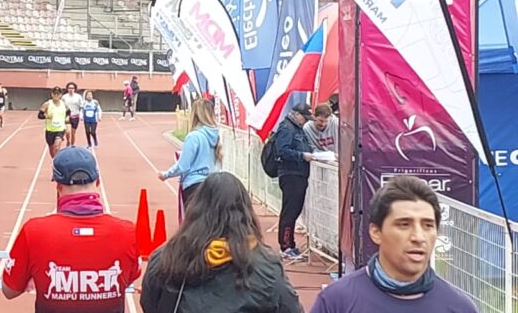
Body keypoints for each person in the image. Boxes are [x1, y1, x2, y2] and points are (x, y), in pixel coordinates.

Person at [140, 172, 303, 313]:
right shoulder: (267, 267)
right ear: (246, 214)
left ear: (195, 209)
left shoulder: (165, 257)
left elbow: (149, 303)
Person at [310, 176, 477, 313]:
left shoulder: (460, 307)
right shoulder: (336, 301)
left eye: (428, 225)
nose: (418, 237)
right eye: (404, 224)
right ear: (376, 232)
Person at [2, 147, 140, 311]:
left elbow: (9, 290)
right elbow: (127, 279)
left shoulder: (34, 231)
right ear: (97, 182)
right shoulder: (128, 232)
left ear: (58, 186)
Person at [158, 98, 221, 205]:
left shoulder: (193, 137)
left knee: (194, 220)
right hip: (212, 184)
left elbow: (183, 165)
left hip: (194, 185)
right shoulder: (215, 136)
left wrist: (166, 175)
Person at [275, 102, 315, 261]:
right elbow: (282, 150)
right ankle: (285, 246)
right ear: (296, 114)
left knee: (294, 210)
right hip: (291, 174)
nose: (305, 121)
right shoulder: (286, 128)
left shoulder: (297, 129)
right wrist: (302, 156)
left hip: (299, 173)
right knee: (290, 211)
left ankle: (290, 244)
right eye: (304, 118)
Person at [39, 87, 68, 159]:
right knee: (52, 149)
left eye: (58, 94)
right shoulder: (47, 104)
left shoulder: (63, 104)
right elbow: (39, 115)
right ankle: (55, 160)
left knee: (57, 147)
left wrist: (67, 119)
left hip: (60, 129)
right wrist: (46, 116)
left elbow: (68, 113)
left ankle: (57, 161)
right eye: (54, 94)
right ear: (52, 94)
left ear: (61, 95)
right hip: (50, 130)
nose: (56, 95)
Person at [61, 82, 84, 148]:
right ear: (67, 89)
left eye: (72, 88)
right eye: (69, 88)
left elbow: (81, 106)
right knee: (68, 131)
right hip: (67, 116)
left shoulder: (78, 97)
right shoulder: (64, 97)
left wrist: (81, 113)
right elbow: (61, 106)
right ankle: (68, 141)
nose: (71, 89)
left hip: (75, 116)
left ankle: (72, 145)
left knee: (73, 133)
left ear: (75, 89)